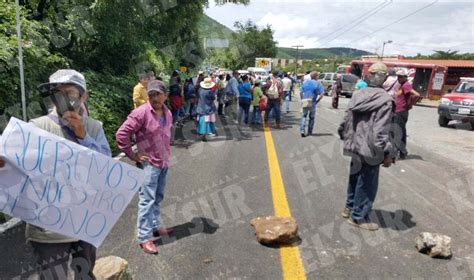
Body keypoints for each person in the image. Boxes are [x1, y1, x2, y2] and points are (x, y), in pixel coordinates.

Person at [28, 69, 112, 279]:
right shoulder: (36, 127)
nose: (64, 98)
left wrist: (83, 135)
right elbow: (19, 168)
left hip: (85, 220)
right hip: (48, 227)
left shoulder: (94, 128)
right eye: (58, 93)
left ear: (84, 96)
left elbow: (108, 170)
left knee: (85, 273)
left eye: (71, 93)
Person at [116, 80, 173, 254]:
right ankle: (144, 237)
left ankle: (155, 227)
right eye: (151, 94)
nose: (155, 98)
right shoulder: (141, 113)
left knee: (158, 196)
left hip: (163, 162)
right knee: (147, 200)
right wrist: (133, 155)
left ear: (165, 95)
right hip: (149, 164)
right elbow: (122, 134)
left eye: (158, 94)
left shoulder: (167, 112)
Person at [338, 62, 395, 231]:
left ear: (368, 75)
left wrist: (344, 135)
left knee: (355, 177)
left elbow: (345, 120)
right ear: (384, 78)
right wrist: (386, 153)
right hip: (370, 149)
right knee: (367, 182)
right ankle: (358, 217)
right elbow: (380, 132)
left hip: (354, 144)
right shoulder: (385, 100)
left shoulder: (357, 95)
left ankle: (349, 208)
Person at [393, 68, 419, 159]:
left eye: (400, 77)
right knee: (401, 131)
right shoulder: (402, 85)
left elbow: (416, 95)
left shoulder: (405, 85)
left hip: (400, 111)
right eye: (398, 76)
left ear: (405, 77)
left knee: (397, 131)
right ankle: (403, 152)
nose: (398, 78)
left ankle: (395, 153)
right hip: (400, 111)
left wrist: (411, 104)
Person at [299, 71, 324, 137]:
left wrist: (302, 99)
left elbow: (300, 92)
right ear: (316, 76)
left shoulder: (305, 82)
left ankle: (302, 130)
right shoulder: (318, 84)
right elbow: (322, 94)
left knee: (304, 116)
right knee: (312, 117)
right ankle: (310, 131)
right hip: (313, 102)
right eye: (318, 76)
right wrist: (317, 101)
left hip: (305, 101)